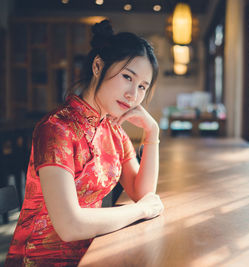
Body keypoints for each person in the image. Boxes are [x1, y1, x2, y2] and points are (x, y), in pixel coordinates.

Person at [5, 20, 164, 266]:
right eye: (127, 77)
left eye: (142, 86)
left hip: (91, 253)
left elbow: (142, 193)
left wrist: (152, 133)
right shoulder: (56, 129)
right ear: (98, 66)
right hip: (40, 260)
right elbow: (69, 226)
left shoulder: (112, 129)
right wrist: (141, 211)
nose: (134, 94)